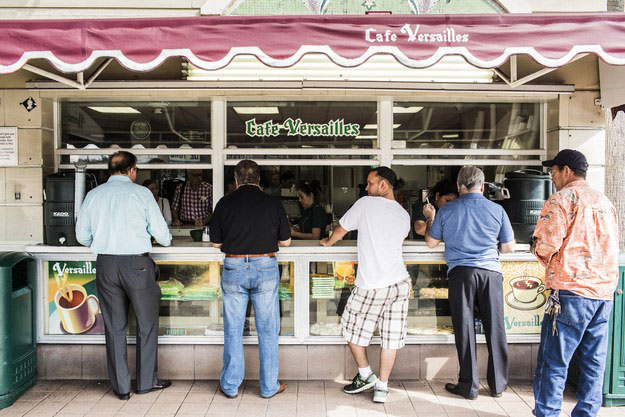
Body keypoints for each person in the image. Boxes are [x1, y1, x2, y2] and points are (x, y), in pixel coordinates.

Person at [75, 151, 172, 400]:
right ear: (132, 170)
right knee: (147, 325)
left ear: (110, 170)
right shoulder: (141, 194)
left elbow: (82, 236)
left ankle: (121, 388)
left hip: (106, 265)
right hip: (137, 266)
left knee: (114, 327)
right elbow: (163, 236)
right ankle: (146, 382)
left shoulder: (94, 195)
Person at [531, 149, 619, 417]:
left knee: (554, 360)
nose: (552, 177)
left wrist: (535, 245)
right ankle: (586, 413)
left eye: (553, 171)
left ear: (566, 171)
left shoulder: (561, 200)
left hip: (570, 292)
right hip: (603, 294)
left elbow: (547, 245)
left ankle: (547, 413)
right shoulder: (605, 202)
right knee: (593, 362)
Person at [424, 166, 516, 400]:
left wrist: (429, 218)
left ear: (458, 186)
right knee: (495, 328)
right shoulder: (497, 210)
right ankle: (498, 386)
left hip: (461, 274)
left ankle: (469, 386)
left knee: (464, 330)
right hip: (490, 274)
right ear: (483, 186)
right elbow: (508, 248)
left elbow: (432, 243)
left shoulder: (447, 209)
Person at [321, 166, 410, 404]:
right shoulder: (403, 214)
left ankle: (364, 374)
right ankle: (382, 387)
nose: (366, 187)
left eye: (370, 183)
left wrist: (328, 243)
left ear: (383, 185)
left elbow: (341, 229)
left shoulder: (365, 204)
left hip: (372, 283)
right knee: (390, 338)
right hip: (399, 283)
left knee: (349, 327)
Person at [210, 159, 291, 399]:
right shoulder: (272, 203)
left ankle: (231, 386)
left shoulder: (224, 203)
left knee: (233, 329)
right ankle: (268, 387)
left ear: (235, 180)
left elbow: (216, 243)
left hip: (233, 267)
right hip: (265, 266)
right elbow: (285, 241)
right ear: (258, 180)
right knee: (268, 329)